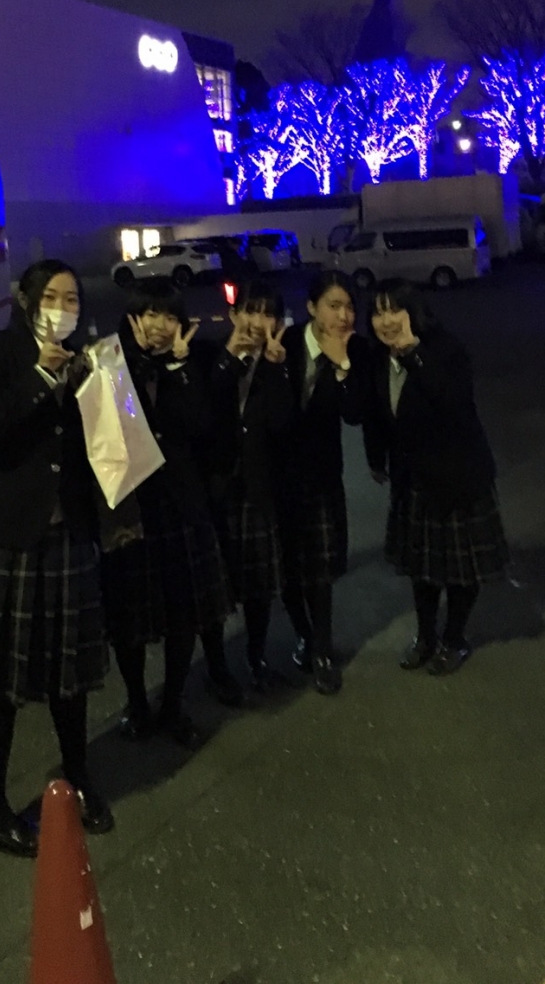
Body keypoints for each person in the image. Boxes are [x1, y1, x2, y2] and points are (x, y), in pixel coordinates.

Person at [0, 259, 113, 858]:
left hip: (67, 534)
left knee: (70, 679)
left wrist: (111, 390)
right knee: (1, 684)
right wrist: (43, 378)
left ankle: (80, 780)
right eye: (51, 297)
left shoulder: (86, 362)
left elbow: (107, 444)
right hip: (8, 540)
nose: (62, 308)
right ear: (26, 301)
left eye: (71, 299)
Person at [104, 280, 234, 750]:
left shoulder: (190, 362)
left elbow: (200, 426)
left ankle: (173, 704)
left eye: (170, 316)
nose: (160, 325)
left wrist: (178, 367)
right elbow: (112, 427)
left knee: (184, 614)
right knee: (129, 618)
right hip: (132, 506)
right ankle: (138, 702)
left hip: (181, 506)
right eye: (151, 314)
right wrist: (137, 362)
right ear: (134, 317)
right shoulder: (111, 363)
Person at [363, 279, 508, 676]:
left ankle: (454, 639)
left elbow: (454, 405)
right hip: (413, 479)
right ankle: (426, 637)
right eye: (378, 312)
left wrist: (413, 354)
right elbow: (376, 413)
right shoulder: (377, 358)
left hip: (458, 476)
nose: (386, 321)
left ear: (414, 312)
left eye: (395, 310)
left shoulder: (446, 349)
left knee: (461, 569)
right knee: (421, 569)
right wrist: (376, 459)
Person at [278, 270, 368, 696]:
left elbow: (354, 414)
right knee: (286, 569)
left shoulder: (356, 349)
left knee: (319, 571)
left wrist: (342, 365)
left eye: (349, 307)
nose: (344, 316)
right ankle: (304, 634)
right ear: (312, 307)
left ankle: (322, 650)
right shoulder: (286, 342)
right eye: (334, 306)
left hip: (320, 476)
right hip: (279, 475)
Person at [202, 281, 294, 696]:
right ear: (234, 314)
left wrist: (274, 369)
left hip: (257, 490)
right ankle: (217, 667)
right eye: (251, 311)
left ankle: (256, 658)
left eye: (267, 313)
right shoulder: (210, 354)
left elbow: (282, 424)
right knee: (213, 587)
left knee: (258, 587)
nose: (258, 321)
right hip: (217, 488)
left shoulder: (279, 361)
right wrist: (228, 358)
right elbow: (202, 415)